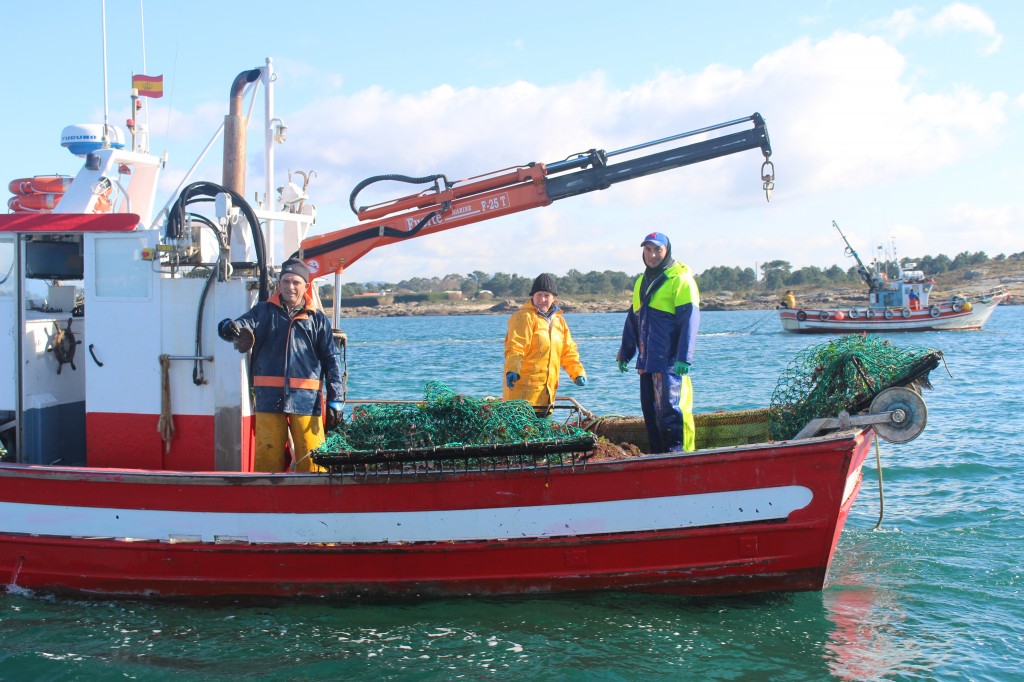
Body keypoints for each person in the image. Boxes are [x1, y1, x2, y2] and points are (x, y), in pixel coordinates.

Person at [217, 258, 344, 473]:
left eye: (296, 282)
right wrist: (228, 327)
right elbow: (238, 326)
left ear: (306, 286)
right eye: (285, 281)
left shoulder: (317, 319)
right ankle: (267, 500)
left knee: (313, 459)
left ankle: (313, 500)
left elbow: (331, 359)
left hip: (307, 401)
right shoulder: (262, 312)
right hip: (268, 400)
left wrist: (336, 399)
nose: (290, 287)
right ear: (279, 284)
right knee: (268, 456)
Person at [617, 232, 700, 453]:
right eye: (648, 250)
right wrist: (625, 353)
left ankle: (680, 453)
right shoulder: (641, 281)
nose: (652, 255)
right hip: (647, 362)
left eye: (658, 250)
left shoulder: (680, 279)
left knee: (673, 410)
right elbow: (634, 320)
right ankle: (657, 455)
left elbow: (689, 320)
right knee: (651, 412)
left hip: (671, 361)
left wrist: (684, 357)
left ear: (667, 251)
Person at [503, 273, 587, 416]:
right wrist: (512, 369)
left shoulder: (559, 322)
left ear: (553, 298)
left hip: (547, 394)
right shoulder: (524, 317)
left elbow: (568, 351)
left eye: (546, 295)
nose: (542, 299)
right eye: (539, 295)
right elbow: (516, 346)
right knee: (523, 434)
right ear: (533, 297)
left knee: (544, 433)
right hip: (522, 393)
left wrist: (577, 373)